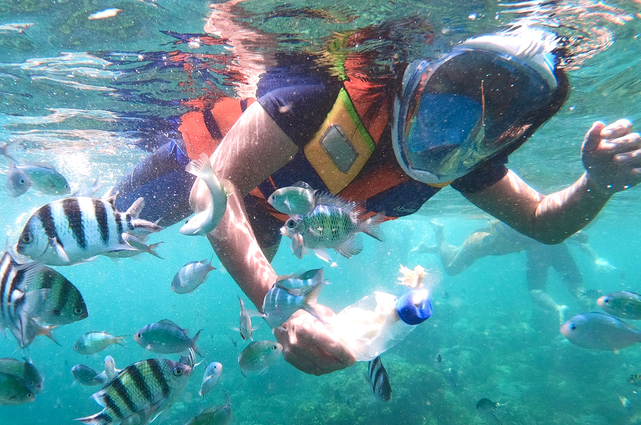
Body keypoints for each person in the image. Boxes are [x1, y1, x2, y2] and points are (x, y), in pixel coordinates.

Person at [114, 20, 641, 376]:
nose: (450, 138)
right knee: (103, 227)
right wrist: (283, 308)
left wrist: (595, 183)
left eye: (489, 129)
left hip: (271, 216)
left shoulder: (465, 157)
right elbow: (217, 182)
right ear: (419, 77)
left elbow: (544, 223)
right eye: (444, 107)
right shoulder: (316, 96)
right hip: (193, 165)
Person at [413, 220, 608, 323]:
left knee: (459, 255)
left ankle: (429, 247)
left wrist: (593, 255)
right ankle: (439, 232)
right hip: (481, 242)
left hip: (488, 245)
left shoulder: (544, 232)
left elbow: (577, 240)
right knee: (452, 268)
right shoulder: (539, 229)